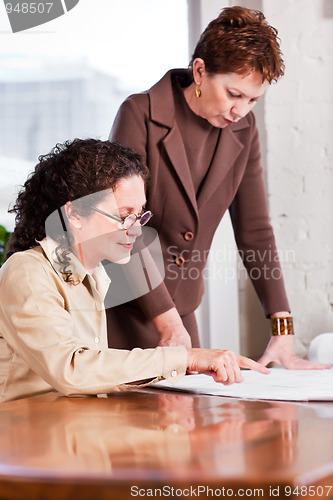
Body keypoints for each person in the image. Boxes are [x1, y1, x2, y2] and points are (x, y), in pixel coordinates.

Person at [107, 6, 330, 370]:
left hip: (182, 317)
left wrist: (282, 328)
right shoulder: (139, 114)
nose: (240, 110)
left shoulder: (244, 130)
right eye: (233, 93)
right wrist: (168, 324)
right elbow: (123, 227)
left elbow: (255, 232)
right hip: (127, 313)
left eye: (253, 99)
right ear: (199, 71)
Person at [0, 138, 268, 403]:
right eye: (123, 215)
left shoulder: (93, 275)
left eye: (140, 215)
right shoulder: (27, 271)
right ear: (75, 215)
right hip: (30, 436)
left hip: (71, 431)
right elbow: (72, 370)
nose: (137, 229)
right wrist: (184, 358)